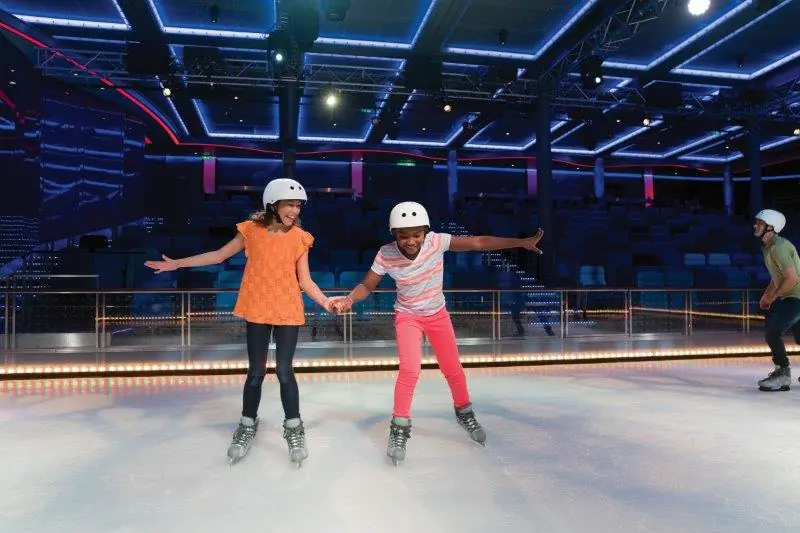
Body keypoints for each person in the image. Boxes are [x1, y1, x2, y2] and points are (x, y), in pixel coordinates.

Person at [330, 201, 544, 465]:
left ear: (425, 231)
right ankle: (399, 427)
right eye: (404, 235)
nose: (411, 241)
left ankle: (464, 411)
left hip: (437, 315)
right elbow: (367, 284)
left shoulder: (436, 242)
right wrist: (350, 299)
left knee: (453, 368)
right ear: (394, 234)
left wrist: (519, 243)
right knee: (410, 370)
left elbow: (478, 242)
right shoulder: (386, 253)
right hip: (407, 316)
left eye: (416, 234)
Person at [144, 178, 333, 467]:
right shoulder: (251, 231)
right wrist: (177, 263)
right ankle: (247, 425)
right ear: (273, 204)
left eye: (298, 205)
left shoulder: (300, 238)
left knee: (284, 371)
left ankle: (294, 428)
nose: (294, 210)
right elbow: (218, 255)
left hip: (286, 309)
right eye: (289, 204)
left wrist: (327, 302)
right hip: (257, 307)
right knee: (255, 372)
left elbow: (305, 280)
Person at [753, 209, 800, 392]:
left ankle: (782, 373)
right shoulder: (769, 247)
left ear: (771, 228)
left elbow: (792, 279)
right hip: (793, 296)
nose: (755, 226)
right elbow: (778, 277)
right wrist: (767, 295)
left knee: (773, 332)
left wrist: (773, 296)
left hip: (797, 296)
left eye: (760, 223)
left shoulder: (779, 247)